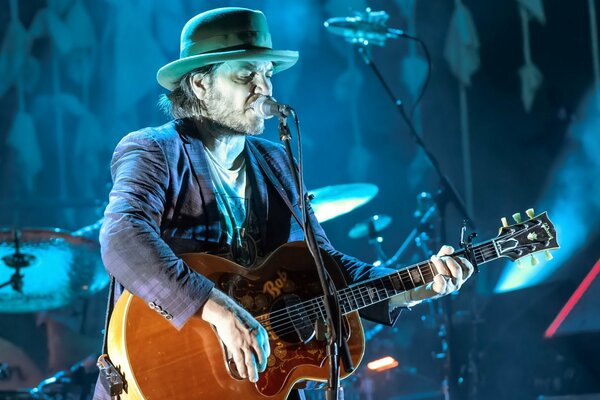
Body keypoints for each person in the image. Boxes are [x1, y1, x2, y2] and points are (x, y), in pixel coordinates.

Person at [93, 7, 474, 399]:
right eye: (246, 75)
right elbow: (122, 237)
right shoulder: (155, 150)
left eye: (268, 74)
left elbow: (327, 268)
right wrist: (218, 310)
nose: (264, 87)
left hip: (259, 382)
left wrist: (414, 284)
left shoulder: (276, 161)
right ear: (200, 85)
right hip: (169, 373)